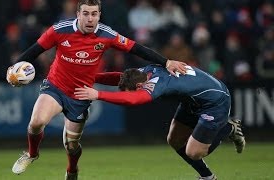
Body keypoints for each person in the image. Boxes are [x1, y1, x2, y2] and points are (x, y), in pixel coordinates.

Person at [6, 0, 188, 179]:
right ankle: (31, 154)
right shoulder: (59, 30)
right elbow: (33, 51)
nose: (90, 18)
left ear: (99, 15)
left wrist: (166, 62)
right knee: (37, 121)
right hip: (56, 86)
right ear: (78, 14)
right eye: (85, 13)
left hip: (81, 94)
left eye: (94, 14)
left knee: (71, 145)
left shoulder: (107, 35)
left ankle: (72, 170)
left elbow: (137, 49)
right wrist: (13, 70)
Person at [74, 64, 246, 180]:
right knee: (174, 140)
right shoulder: (143, 73)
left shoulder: (157, 84)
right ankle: (207, 177)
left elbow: (134, 100)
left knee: (194, 152)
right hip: (193, 100)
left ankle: (229, 128)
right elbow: (119, 77)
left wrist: (98, 95)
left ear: (140, 86)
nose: (129, 94)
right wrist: (91, 77)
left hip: (215, 101)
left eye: (131, 91)